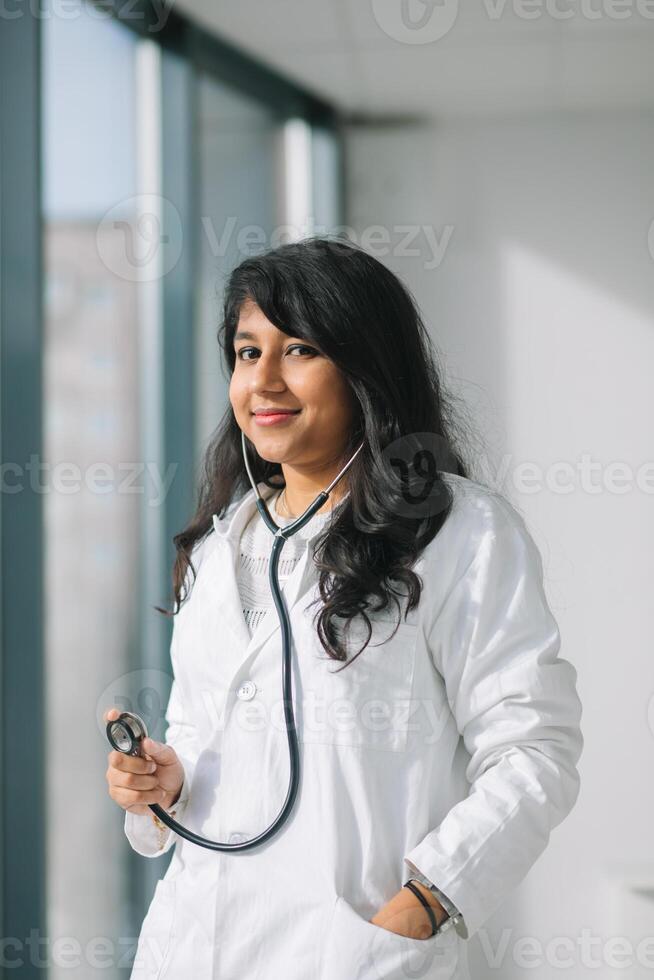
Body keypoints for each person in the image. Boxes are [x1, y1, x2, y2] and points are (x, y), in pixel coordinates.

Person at [104, 237, 584, 980]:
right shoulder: (217, 546)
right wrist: (160, 786)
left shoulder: (458, 530)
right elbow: (200, 737)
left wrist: (426, 901)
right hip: (192, 948)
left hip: (351, 954)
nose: (262, 381)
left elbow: (535, 749)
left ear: (365, 367)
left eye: (299, 350)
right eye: (245, 351)